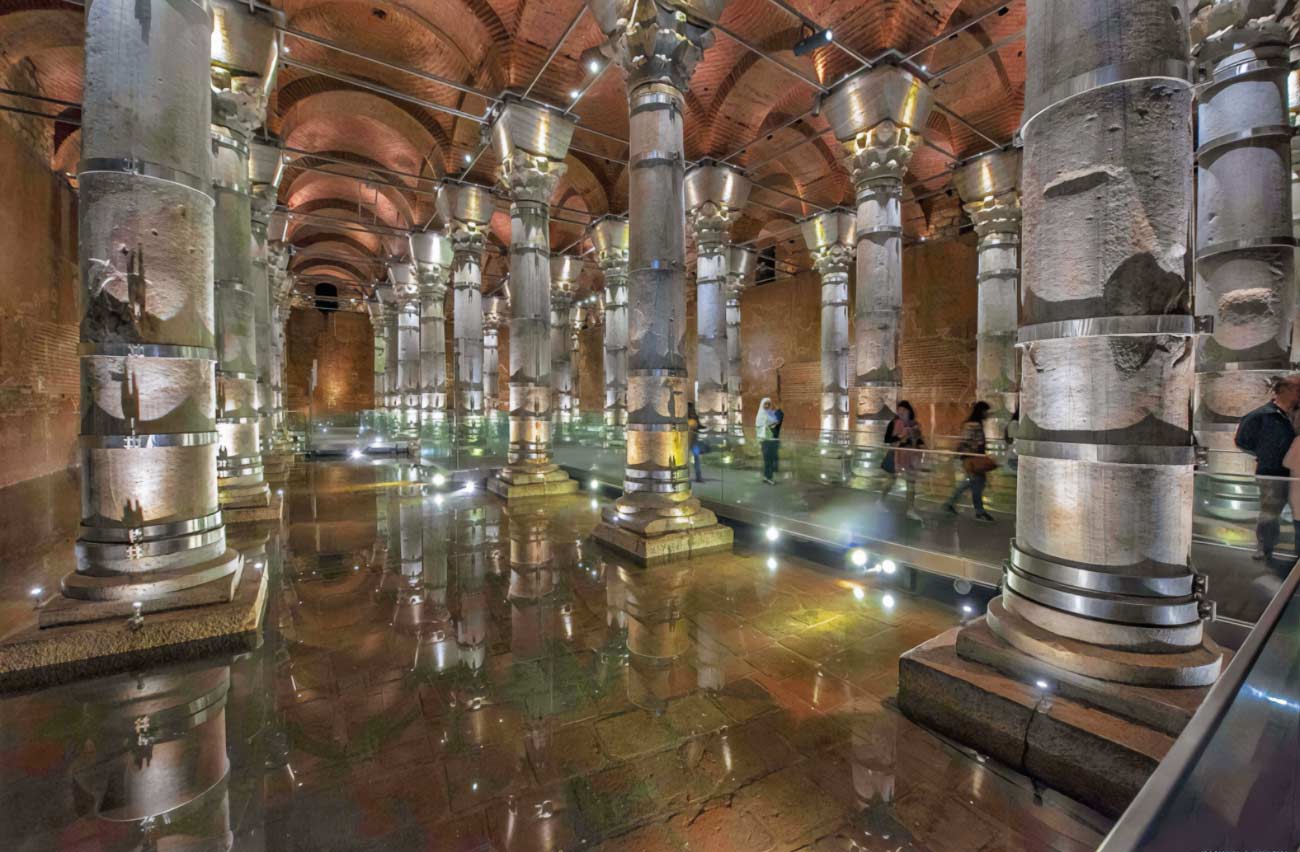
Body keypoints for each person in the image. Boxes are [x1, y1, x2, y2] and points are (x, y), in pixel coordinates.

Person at [1236, 374, 1300, 562]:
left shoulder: (1296, 414)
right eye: (1297, 389)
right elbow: (1243, 441)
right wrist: (1266, 454)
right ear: (1283, 390)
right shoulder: (1261, 416)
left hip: (1296, 475)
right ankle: (1265, 548)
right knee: (1270, 512)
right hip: (1272, 473)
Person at [943, 400, 996, 522]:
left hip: (973, 458)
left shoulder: (975, 423)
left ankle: (950, 504)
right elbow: (966, 442)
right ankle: (979, 511)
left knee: (972, 483)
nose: (987, 414)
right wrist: (967, 454)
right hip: (972, 458)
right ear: (981, 411)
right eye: (986, 411)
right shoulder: (973, 425)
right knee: (976, 483)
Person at [881, 400, 925, 521]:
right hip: (895, 453)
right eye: (899, 410)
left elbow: (920, 440)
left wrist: (920, 445)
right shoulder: (893, 423)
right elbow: (887, 439)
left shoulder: (915, 424)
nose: (901, 412)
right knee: (891, 480)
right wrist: (900, 436)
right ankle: (880, 501)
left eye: (904, 410)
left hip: (910, 456)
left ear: (909, 411)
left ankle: (910, 510)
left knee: (911, 483)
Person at [756, 397, 779, 485]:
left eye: (768, 404)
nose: (767, 405)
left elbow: (776, 421)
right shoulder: (760, 415)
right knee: (768, 460)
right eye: (765, 404)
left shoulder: (769, 413)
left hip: (772, 440)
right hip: (765, 440)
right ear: (762, 404)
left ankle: (766, 477)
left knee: (770, 460)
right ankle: (768, 477)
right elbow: (760, 427)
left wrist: (772, 424)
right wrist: (771, 425)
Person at [687, 401, 704, 483]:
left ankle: (694, 476)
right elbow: (700, 427)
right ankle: (698, 477)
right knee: (695, 459)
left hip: (690, 441)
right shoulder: (693, 418)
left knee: (690, 459)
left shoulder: (690, 419)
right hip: (692, 440)